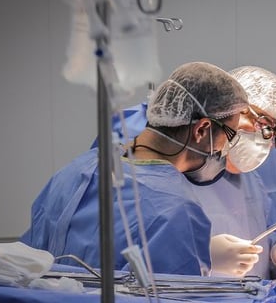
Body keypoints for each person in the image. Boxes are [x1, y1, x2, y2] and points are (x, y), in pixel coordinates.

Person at [21, 62, 249, 275]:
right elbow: (171, 296)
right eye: (230, 135)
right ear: (201, 130)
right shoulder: (176, 210)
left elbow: (27, 264)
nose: (226, 148)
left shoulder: (75, 170)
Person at [92, 65, 276, 278]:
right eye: (264, 125)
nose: (265, 140)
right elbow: (125, 266)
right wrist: (201, 255)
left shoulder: (249, 180)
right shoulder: (155, 174)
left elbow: (266, 233)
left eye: (275, 134)